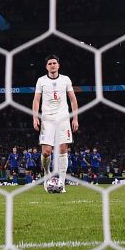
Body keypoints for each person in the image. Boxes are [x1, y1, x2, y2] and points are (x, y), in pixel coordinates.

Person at [32, 54, 79, 193]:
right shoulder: (41, 81)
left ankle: (62, 183)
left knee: (63, 149)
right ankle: (47, 174)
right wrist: (35, 117)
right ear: (46, 66)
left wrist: (75, 118)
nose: (52, 65)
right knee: (46, 152)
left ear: (58, 65)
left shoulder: (65, 79)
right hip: (47, 119)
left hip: (63, 118)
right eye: (50, 63)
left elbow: (73, 99)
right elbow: (36, 100)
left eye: (54, 63)